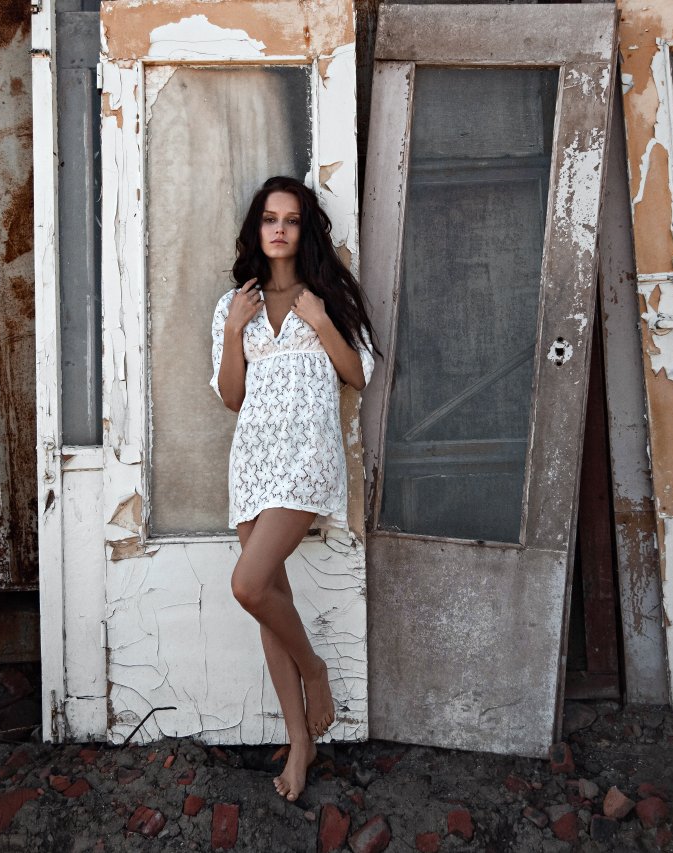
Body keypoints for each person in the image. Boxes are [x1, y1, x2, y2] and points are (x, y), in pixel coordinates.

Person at [209, 175, 377, 802]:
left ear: (305, 231)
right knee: (268, 599)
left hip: (307, 460)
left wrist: (321, 321)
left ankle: (316, 670)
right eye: (269, 219)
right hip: (253, 461)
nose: (279, 229)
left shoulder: (326, 296)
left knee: (248, 585)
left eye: (292, 219)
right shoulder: (235, 306)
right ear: (257, 228)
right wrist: (234, 331)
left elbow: (357, 374)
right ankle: (300, 742)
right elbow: (232, 397)